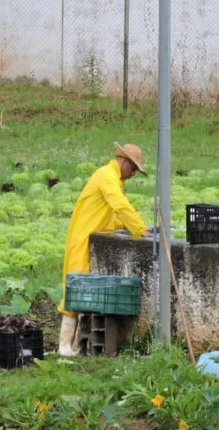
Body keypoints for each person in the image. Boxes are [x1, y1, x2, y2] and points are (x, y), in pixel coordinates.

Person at [56, 142, 152, 356]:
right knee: (75, 288)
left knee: (82, 291)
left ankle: (72, 346)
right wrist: (138, 228)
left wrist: (130, 227)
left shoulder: (113, 178)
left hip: (89, 237)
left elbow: (110, 216)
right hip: (82, 239)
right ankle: (64, 346)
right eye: (133, 168)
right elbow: (119, 204)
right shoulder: (107, 176)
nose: (133, 173)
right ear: (124, 161)